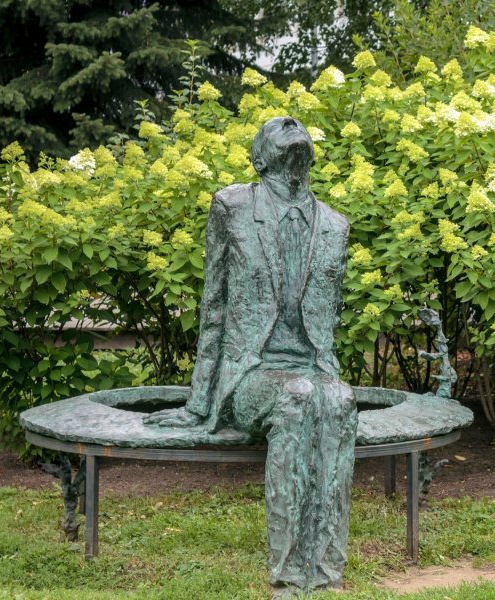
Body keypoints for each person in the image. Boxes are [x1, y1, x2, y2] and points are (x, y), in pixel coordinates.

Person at [144, 116, 356, 594]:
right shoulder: (233, 207)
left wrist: (324, 376)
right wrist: (200, 403)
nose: (290, 121)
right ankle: (288, 574)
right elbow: (213, 306)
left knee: (340, 400)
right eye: (274, 127)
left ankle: (325, 571)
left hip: (311, 368)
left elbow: (327, 322)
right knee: (298, 397)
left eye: (296, 124)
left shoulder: (336, 227)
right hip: (251, 372)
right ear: (260, 159)